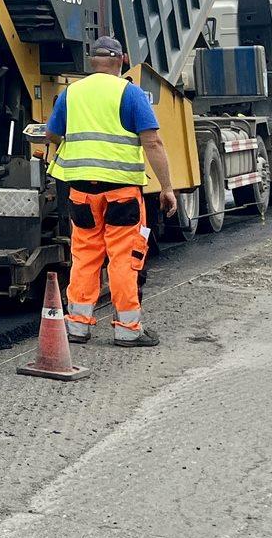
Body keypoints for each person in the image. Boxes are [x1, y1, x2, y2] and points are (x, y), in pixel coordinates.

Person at [43, 35, 179, 347]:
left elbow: (52, 133)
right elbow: (153, 142)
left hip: (81, 193)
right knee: (122, 258)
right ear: (120, 61)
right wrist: (167, 187)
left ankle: (77, 326)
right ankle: (127, 330)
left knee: (85, 255)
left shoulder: (71, 93)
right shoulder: (130, 93)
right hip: (121, 193)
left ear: (93, 62)